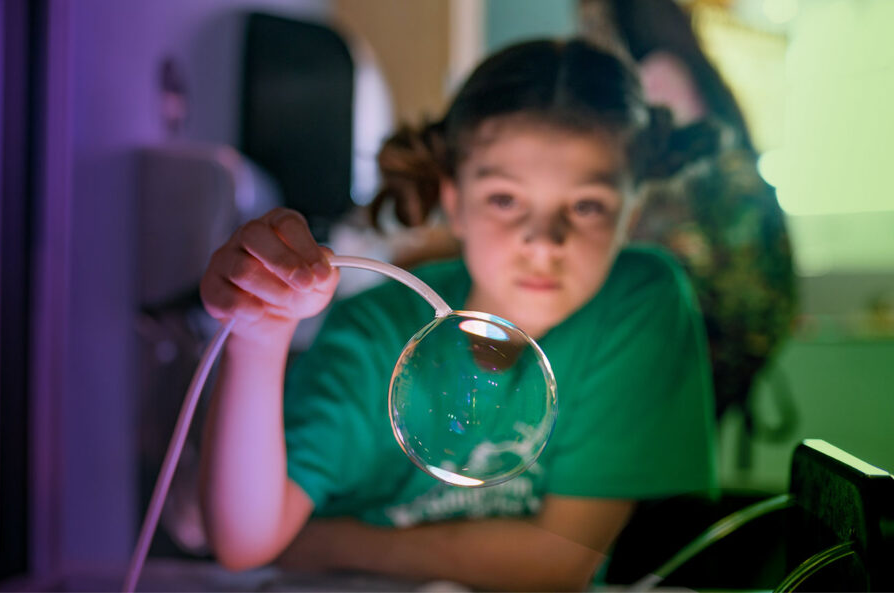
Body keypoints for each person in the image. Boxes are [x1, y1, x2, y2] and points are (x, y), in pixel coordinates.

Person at [198, 39, 718, 591]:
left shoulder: (637, 300)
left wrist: (323, 543)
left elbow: (558, 563)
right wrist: (260, 333)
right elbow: (242, 544)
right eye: (504, 200)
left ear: (631, 213)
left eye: (586, 206)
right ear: (454, 200)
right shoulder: (374, 336)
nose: (543, 245)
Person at [580, 0, 798, 445]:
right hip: (729, 322)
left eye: (589, 14)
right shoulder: (691, 75)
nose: (585, 28)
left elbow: (650, 197)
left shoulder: (657, 79)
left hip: (699, 316)